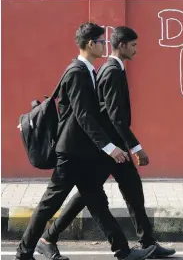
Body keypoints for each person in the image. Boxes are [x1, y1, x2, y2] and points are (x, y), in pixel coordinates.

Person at [14, 22, 156, 260]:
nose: (104, 46)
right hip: (70, 153)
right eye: (101, 42)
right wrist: (110, 147)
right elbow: (84, 116)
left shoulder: (87, 70)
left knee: (97, 202)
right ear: (90, 44)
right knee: (50, 204)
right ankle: (24, 251)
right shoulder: (78, 72)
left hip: (80, 152)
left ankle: (122, 250)